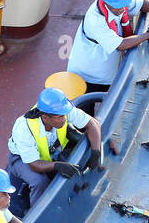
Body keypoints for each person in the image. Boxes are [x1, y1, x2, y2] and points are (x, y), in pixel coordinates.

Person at [6, 86, 103, 215]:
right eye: (59, 117)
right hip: (24, 160)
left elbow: (92, 123)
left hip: (52, 152)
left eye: (64, 115)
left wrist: (96, 152)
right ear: (45, 118)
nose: (64, 119)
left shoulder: (61, 111)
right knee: (39, 181)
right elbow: (34, 164)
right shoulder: (23, 128)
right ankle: (37, 214)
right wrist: (57, 166)